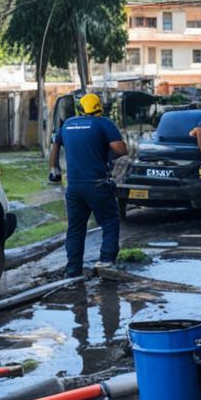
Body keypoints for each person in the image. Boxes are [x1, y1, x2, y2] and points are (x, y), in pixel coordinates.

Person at [49, 92, 127, 278]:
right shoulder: (103, 123)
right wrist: (107, 154)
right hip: (98, 184)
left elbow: (55, 146)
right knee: (110, 221)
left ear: (80, 109)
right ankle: (106, 261)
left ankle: (72, 271)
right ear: (99, 108)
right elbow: (120, 150)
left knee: (75, 229)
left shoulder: (67, 124)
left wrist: (54, 169)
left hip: (74, 186)